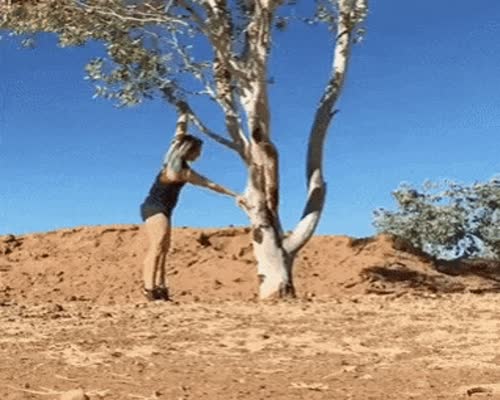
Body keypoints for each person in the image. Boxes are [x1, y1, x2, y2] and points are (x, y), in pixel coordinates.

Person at [140, 108, 239, 301]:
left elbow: (211, 184)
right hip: (153, 207)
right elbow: (179, 133)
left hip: (166, 210)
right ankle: (148, 288)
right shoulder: (170, 161)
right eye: (198, 151)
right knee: (157, 245)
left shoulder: (187, 173)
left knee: (164, 248)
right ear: (190, 150)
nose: (199, 154)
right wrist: (183, 115)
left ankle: (160, 287)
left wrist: (236, 195)